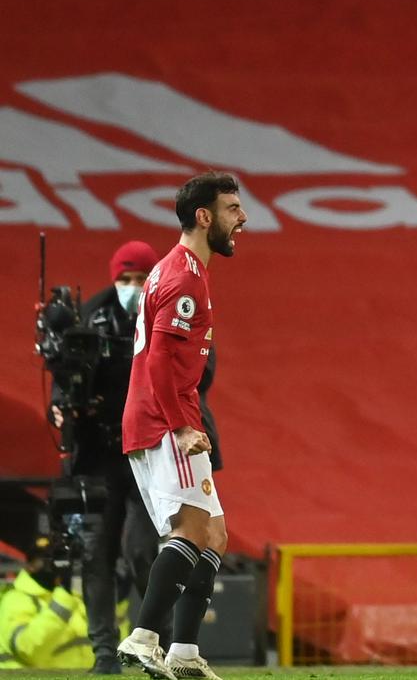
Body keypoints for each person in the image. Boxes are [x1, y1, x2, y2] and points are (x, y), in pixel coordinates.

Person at [116, 171, 246, 680]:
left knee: (214, 534)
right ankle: (144, 637)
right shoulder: (183, 276)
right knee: (190, 528)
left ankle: (185, 653)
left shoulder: (188, 267)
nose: (243, 218)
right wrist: (180, 425)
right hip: (162, 421)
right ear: (204, 216)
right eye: (233, 208)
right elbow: (159, 361)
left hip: (172, 416)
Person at [47, 240, 165, 674]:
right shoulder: (90, 316)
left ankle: (162, 645)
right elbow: (64, 377)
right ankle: (103, 654)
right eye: (125, 278)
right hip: (98, 455)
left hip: (148, 453)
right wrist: (59, 405)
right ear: (113, 277)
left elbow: (199, 373)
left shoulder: (169, 313)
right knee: (94, 553)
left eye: (140, 278)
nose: (132, 287)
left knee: (140, 551)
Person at [0, 536, 95, 669]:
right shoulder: (16, 599)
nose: (54, 565)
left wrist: (119, 599)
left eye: (58, 559)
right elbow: (28, 648)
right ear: (30, 566)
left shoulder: (75, 596)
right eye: (45, 560)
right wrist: (64, 598)